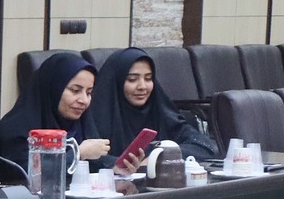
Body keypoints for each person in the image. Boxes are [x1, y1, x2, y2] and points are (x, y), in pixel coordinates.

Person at [89, 47, 217, 169]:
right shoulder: (95, 118)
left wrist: (159, 157)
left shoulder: (160, 112)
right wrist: (121, 165)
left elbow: (203, 146)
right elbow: (88, 158)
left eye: (148, 78)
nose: (142, 86)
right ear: (116, 81)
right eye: (132, 79)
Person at [0, 52, 107, 172]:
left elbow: (95, 160)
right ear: (53, 88)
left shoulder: (80, 122)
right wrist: (79, 153)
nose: (84, 100)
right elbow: (30, 173)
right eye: (75, 90)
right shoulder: (16, 128)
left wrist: (115, 165)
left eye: (88, 93)